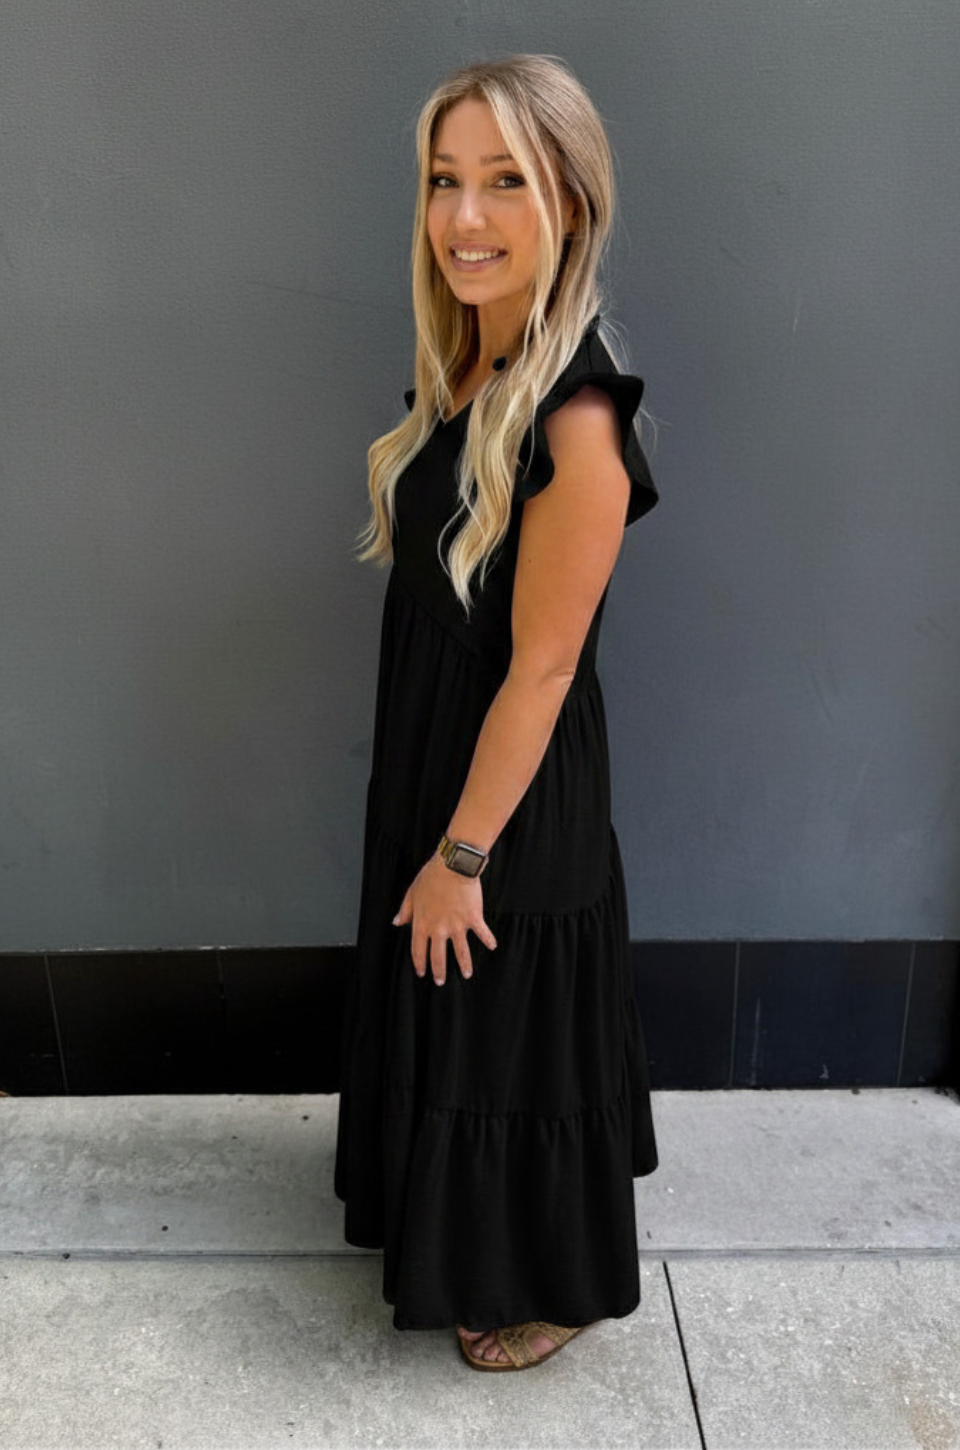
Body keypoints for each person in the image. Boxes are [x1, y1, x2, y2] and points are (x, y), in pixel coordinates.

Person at [334, 53, 660, 1372]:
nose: (464, 217)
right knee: (445, 1001)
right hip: (442, 743)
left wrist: (464, 852)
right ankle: (441, 1219)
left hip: (511, 790)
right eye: (444, 181)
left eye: (505, 183)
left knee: (502, 1009)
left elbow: (541, 670)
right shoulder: (474, 351)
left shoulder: (578, 413)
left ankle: (557, 1272)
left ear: (571, 202)